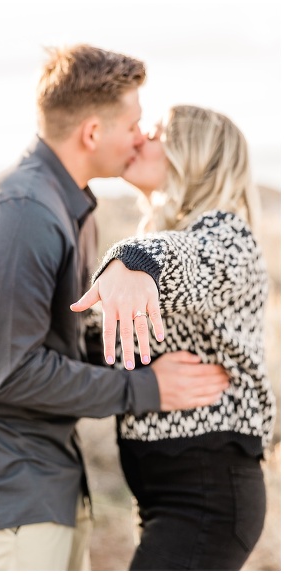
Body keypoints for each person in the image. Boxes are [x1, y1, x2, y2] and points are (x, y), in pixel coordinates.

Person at [0, 44, 231, 571]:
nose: (141, 137)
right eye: (133, 124)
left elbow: (53, 345)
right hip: (6, 503)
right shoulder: (21, 213)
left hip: (42, 487)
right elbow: (15, 374)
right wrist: (149, 389)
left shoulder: (67, 206)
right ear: (92, 133)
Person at [71, 105, 275, 570]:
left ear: (194, 157)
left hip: (207, 501)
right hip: (173, 499)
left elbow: (188, 258)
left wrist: (131, 260)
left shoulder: (228, 236)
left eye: (157, 133)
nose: (139, 138)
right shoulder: (175, 232)